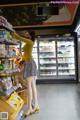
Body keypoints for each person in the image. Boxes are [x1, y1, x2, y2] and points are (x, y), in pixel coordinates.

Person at [11, 30, 40, 116]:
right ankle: (36, 106)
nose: (26, 34)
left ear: (30, 36)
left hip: (30, 64)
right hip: (29, 62)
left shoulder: (29, 42)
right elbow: (26, 54)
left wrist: (12, 32)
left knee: (29, 87)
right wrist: (22, 61)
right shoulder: (28, 43)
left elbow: (19, 37)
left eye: (27, 33)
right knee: (32, 86)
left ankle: (29, 108)